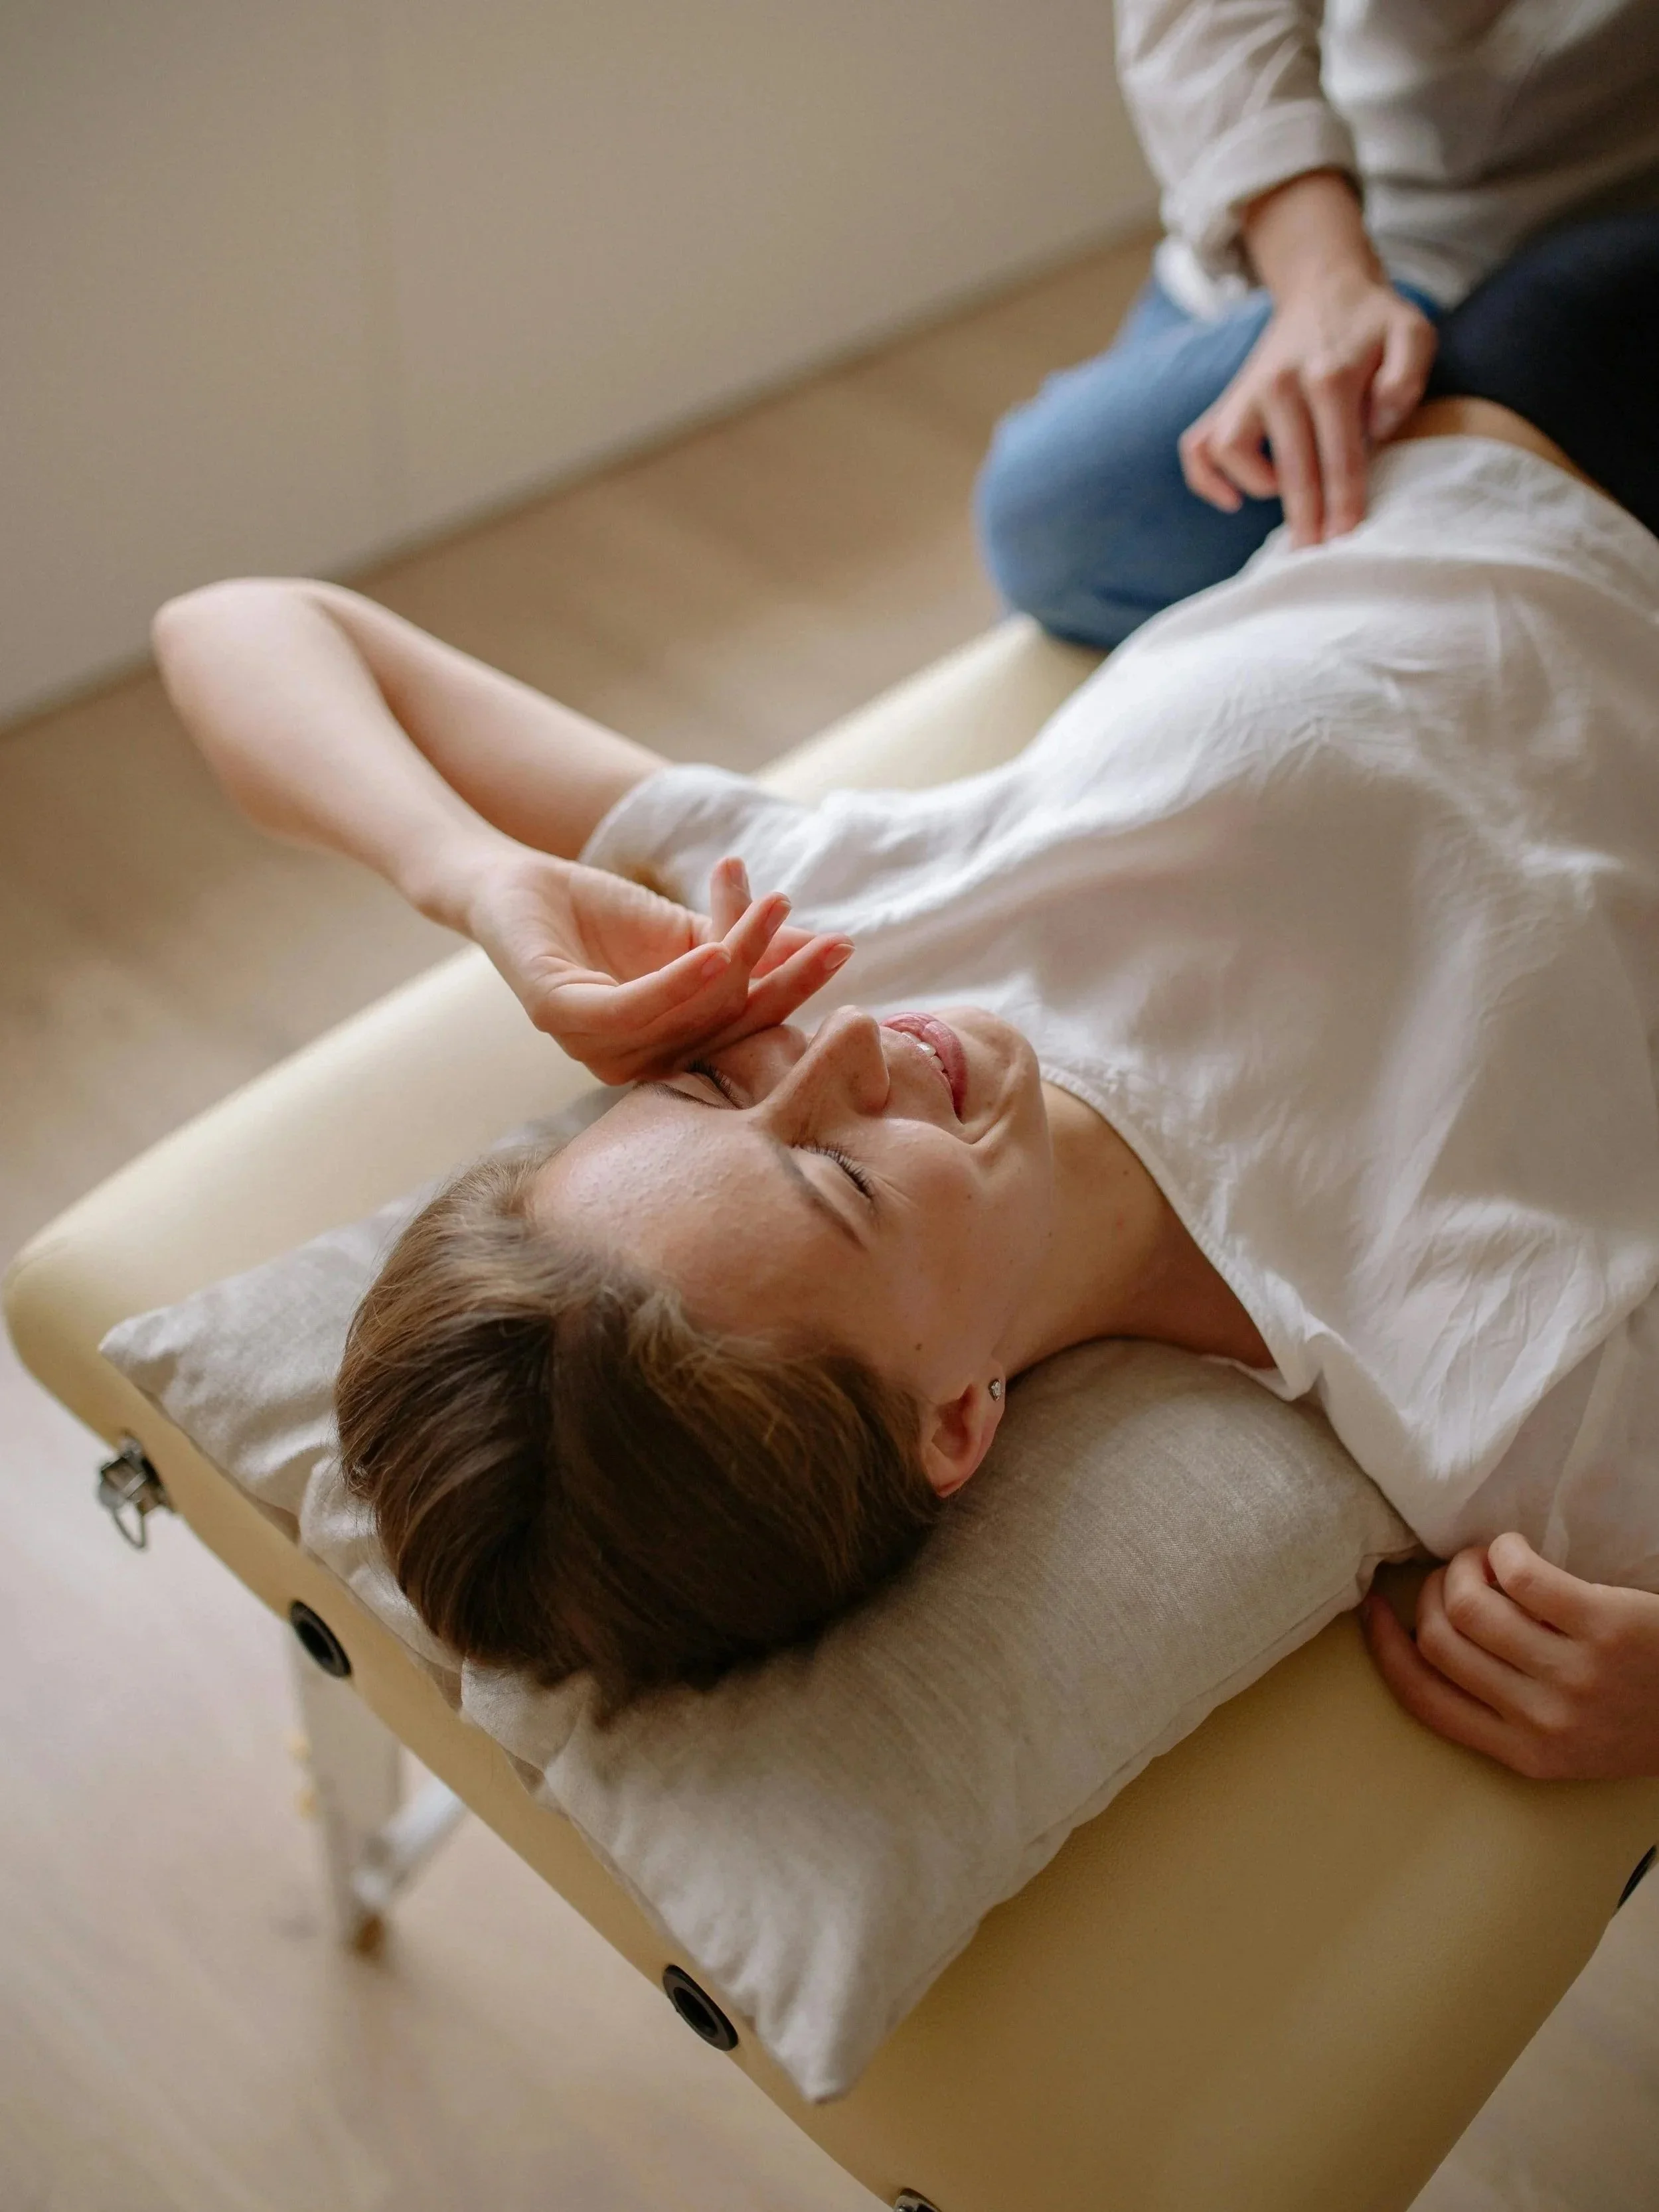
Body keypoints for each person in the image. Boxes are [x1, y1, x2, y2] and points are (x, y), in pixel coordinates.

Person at [152, 381, 1659, 1777]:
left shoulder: (811, 943)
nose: (850, 1051)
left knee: (1061, 493)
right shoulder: (1481, 1377)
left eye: (706, 1094)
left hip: (1448, 403)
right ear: (954, 1423)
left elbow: (242, 619)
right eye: (844, 1177)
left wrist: (472, 874)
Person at [975, 0, 1659, 648]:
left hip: (1539, 262)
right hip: (1301, 211)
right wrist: (1320, 277)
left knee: (1058, 524)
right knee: (1069, 550)